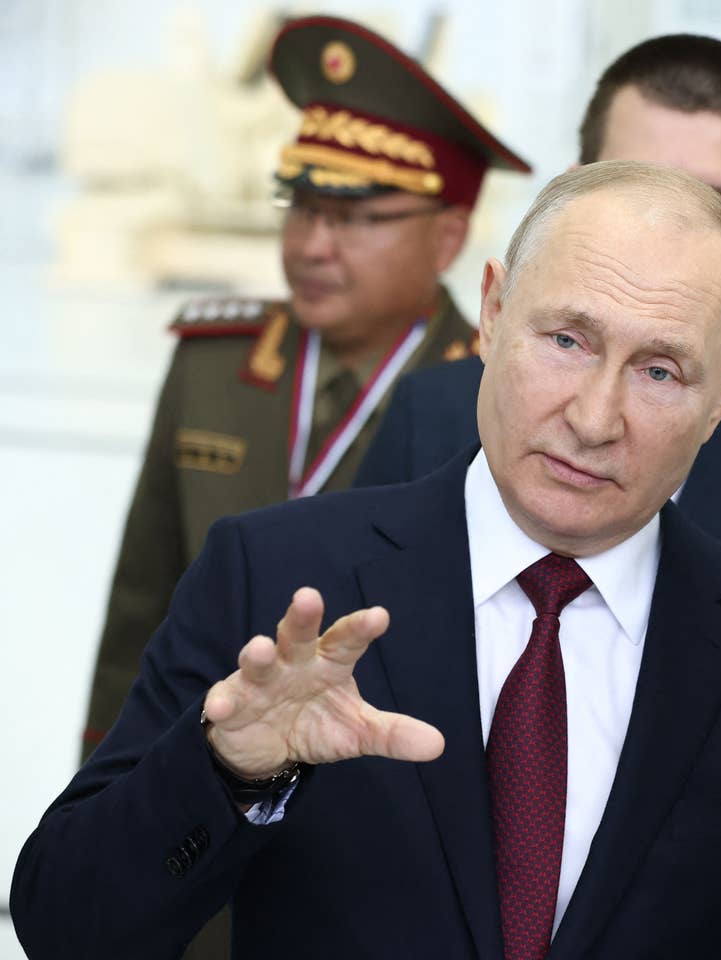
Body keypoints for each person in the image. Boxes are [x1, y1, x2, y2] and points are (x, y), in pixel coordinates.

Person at [12, 161, 721, 960]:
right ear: (491, 311)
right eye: (567, 340)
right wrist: (227, 771)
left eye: (660, 373)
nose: (595, 417)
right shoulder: (281, 580)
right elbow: (68, 925)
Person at [355, 34, 721, 802]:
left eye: (716, 204)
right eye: (635, 187)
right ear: (567, 194)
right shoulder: (436, 410)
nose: (664, 230)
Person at [83, 15, 530, 762]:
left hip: (383, 783)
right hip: (196, 780)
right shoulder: (215, 365)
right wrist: (101, 786)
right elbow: (140, 606)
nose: (313, 245)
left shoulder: (487, 394)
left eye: (354, 218)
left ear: (448, 237)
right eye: (304, 208)